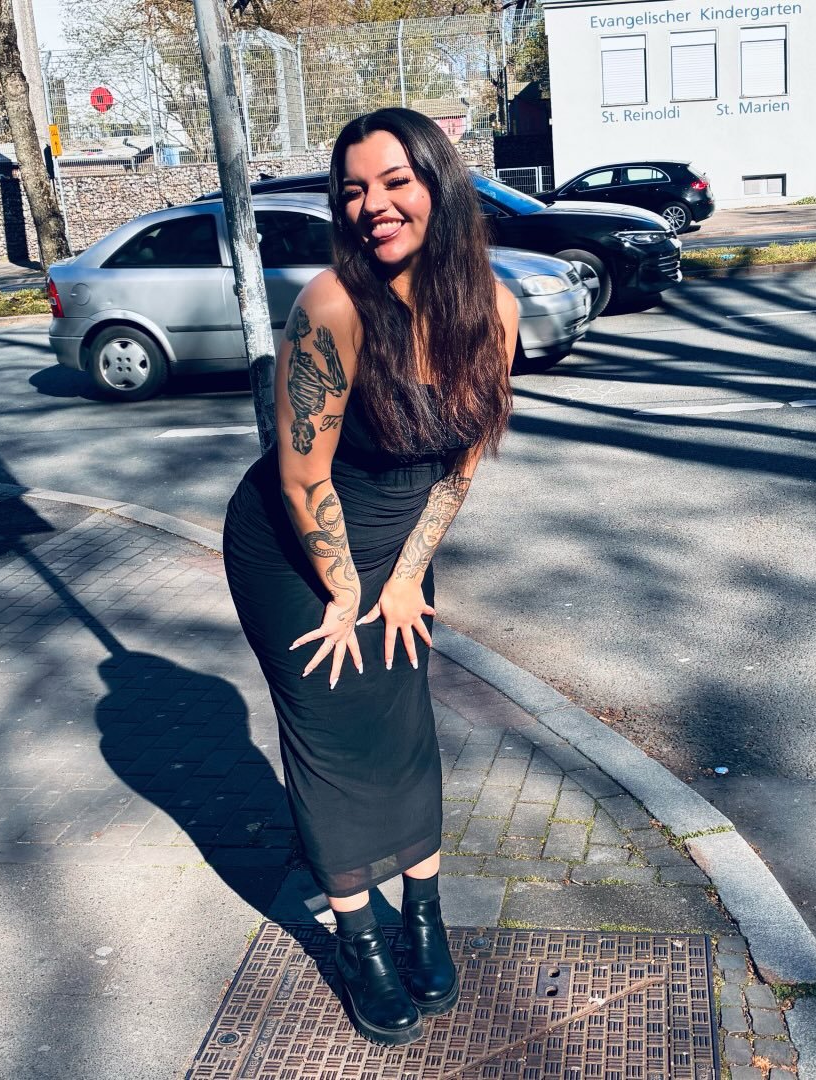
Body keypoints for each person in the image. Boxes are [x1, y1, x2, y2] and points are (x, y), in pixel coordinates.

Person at [223, 108, 517, 1045]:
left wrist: (405, 578)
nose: (373, 205)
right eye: (353, 190)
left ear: (439, 185)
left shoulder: (494, 309)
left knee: (402, 724)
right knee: (333, 737)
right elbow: (301, 475)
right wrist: (348, 589)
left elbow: (460, 465)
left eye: (395, 181)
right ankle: (358, 940)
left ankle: (423, 914)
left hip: (396, 551)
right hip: (296, 549)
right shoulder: (334, 306)